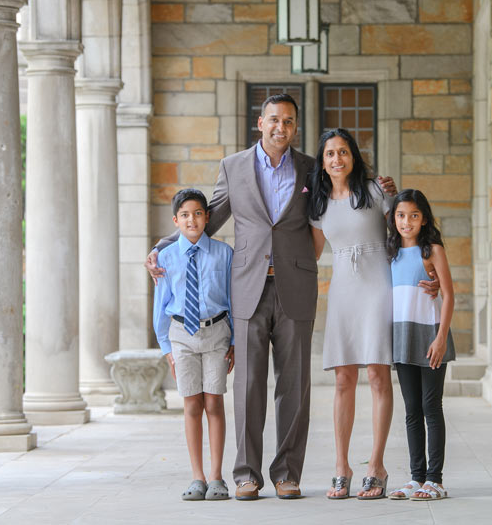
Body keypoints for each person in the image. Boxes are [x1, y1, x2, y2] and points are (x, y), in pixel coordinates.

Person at [146, 94, 397, 500]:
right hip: (246, 286)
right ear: (260, 123)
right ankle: (246, 473)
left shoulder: (311, 169)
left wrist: (385, 188)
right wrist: (165, 245)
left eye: (290, 122)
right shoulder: (234, 167)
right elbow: (209, 217)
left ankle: (286, 473)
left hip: (295, 285)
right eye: (274, 120)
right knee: (247, 384)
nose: (282, 127)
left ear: (296, 127)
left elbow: (348, 195)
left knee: (294, 386)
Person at [308, 128, 394, 500]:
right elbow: (310, 255)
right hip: (342, 290)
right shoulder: (318, 203)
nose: (337, 159)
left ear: (353, 156)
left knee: (377, 374)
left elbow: (405, 233)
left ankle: (376, 465)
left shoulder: (376, 190)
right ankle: (341, 465)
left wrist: (429, 273)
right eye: (330, 154)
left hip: (379, 286)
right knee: (344, 378)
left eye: (343, 152)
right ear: (322, 161)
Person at [152, 189, 235, 501]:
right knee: (191, 405)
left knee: (213, 402)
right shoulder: (165, 257)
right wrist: (166, 348)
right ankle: (197, 476)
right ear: (176, 220)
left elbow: (233, 298)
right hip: (180, 336)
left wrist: (236, 341)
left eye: (198, 213)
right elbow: (161, 302)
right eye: (185, 214)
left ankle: (216, 477)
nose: (192, 219)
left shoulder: (224, 254)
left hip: (216, 333)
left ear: (208, 217)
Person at [385, 189, 456, 501]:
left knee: (431, 406)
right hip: (402, 337)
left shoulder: (433, 251)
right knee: (411, 410)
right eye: (401, 215)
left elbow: (450, 296)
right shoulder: (390, 253)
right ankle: (416, 478)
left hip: (430, 336)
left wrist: (440, 338)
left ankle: (435, 479)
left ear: (424, 218)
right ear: (394, 218)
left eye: (414, 215)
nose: (407, 221)